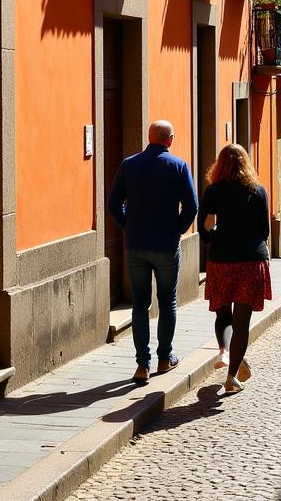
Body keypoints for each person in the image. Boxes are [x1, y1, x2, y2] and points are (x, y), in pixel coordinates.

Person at [107, 120, 198, 384]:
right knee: (167, 301)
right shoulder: (179, 166)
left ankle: (142, 365)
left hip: (136, 244)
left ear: (149, 138)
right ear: (169, 139)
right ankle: (164, 357)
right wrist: (177, 230)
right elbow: (192, 207)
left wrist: (128, 225)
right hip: (166, 245)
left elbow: (113, 203)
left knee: (140, 303)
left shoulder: (129, 164)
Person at [197, 144, 272, 395]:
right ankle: (231, 377)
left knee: (223, 316)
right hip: (250, 260)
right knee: (242, 323)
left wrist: (212, 239)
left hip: (221, 260)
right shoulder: (257, 190)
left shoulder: (214, 190)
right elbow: (265, 229)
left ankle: (226, 351)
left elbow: (203, 224)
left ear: (220, 164)